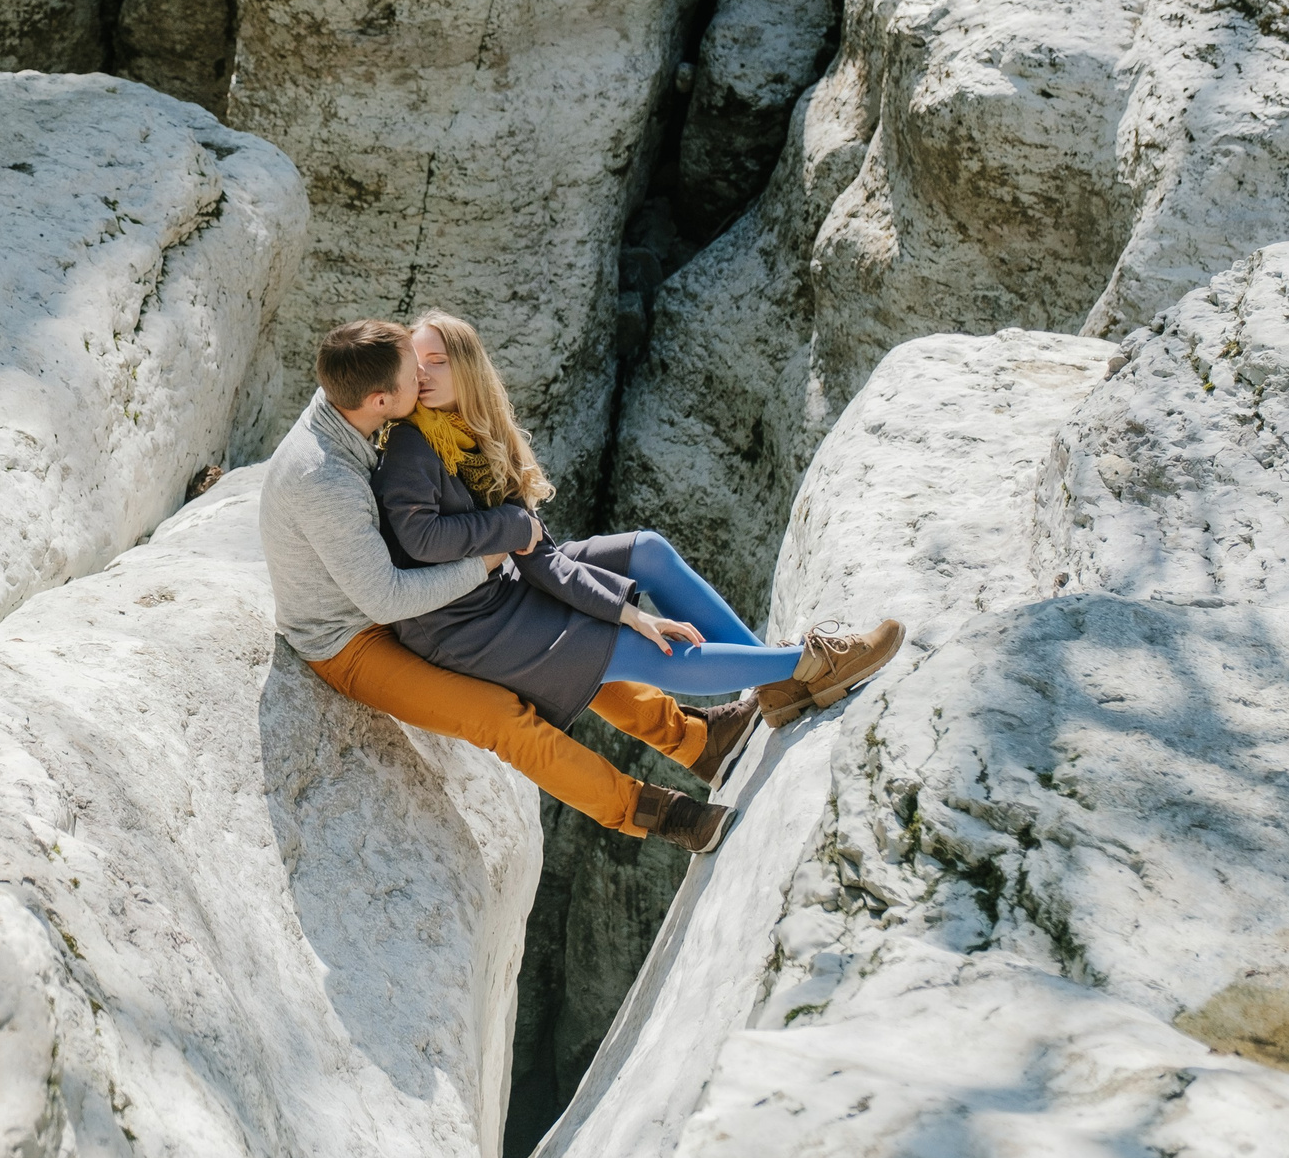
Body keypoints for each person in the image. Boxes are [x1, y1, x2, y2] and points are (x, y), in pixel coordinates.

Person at [372, 310, 902, 843]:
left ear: (467, 368)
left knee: (646, 552)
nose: (422, 374)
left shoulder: (476, 436)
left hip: (504, 585)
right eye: (416, 363)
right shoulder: (411, 443)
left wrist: (624, 608)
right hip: (463, 625)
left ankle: (778, 685)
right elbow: (422, 539)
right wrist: (513, 529)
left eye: (437, 361)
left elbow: (543, 558)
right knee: (630, 647)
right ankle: (809, 664)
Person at [257, 320, 724, 853]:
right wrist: (488, 559)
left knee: (560, 640)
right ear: (382, 399)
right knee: (500, 719)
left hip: (404, 595)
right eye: (417, 374)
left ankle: (698, 742)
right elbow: (383, 598)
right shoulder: (324, 480)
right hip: (352, 637)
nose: (425, 380)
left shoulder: (351, 391)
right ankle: (651, 813)